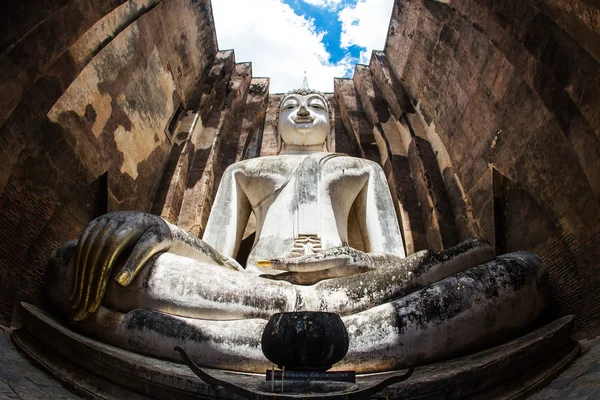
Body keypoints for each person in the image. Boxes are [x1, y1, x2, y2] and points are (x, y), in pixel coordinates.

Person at [47, 89, 548, 373]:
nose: (304, 110)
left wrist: (344, 263)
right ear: (276, 120)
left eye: (316, 105)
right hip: (252, 289)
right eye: (291, 104)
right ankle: (328, 341)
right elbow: (219, 260)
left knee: (514, 271)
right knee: (72, 264)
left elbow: (395, 263)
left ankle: (238, 346)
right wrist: (156, 228)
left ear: (331, 122)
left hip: (353, 292)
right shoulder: (244, 171)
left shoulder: (360, 168)